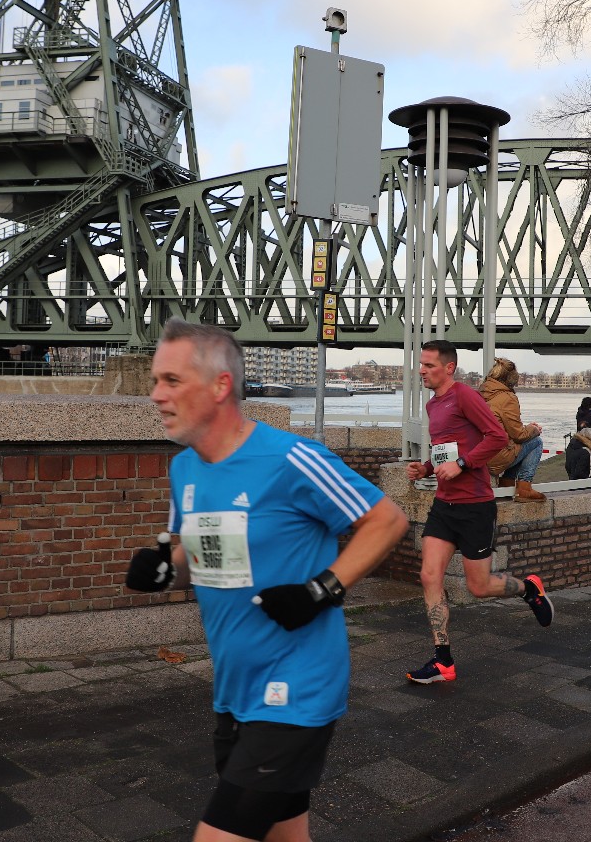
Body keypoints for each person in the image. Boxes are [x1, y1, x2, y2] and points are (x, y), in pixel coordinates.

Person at [129, 318, 408, 842]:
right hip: (235, 689)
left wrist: (320, 590)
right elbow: (199, 555)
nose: (156, 395)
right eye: (155, 381)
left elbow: (387, 519)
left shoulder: (291, 459)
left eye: (171, 380)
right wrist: (166, 570)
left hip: (297, 690)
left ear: (220, 385)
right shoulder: (185, 468)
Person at [403, 341, 553, 684]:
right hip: (444, 506)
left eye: (428, 365)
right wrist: (426, 468)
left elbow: (497, 437)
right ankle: (443, 660)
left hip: (475, 506)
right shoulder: (433, 405)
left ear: (449, 368)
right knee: (429, 576)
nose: (421, 370)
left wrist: (462, 464)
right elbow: (445, 450)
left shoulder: (465, 396)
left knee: (480, 587)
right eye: (421, 364)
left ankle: (529, 590)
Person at [477, 357, 546, 502]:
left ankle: (506, 485)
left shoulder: (481, 394)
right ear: (511, 379)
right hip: (495, 458)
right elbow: (518, 435)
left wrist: (528, 428)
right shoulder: (508, 398)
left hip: (479, 454)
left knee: (516, 446)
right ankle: (524, 488)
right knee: (536, 442)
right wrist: (534, 430)